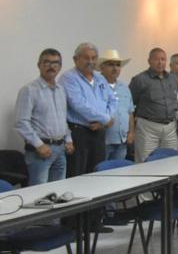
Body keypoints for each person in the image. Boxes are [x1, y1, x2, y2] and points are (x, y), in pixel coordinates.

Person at [15, 48, 74, 185]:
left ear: (60, 66)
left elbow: (63, 119)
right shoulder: (29, 90)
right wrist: (38, 145)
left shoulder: (61, 90)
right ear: (39, 65)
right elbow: (21, 123)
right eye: (46, 62)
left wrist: (68, 139)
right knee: (39, 193)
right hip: (40, 151)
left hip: (61, 149)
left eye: (55, 63)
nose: (51, 66)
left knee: (58, 190)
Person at [60, 42, 116, 177]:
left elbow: (113, 100)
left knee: (98, 174)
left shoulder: (100, 78)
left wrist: (104, 121)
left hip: (99, 132)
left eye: (94, 58)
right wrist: (106, 119)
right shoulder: (68, 78)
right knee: (77, 175)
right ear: (75, 59)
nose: (91, 61)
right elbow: (78, 105)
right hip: (79, 134)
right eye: (86, 58)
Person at [129, 48, 178, 161]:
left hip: (170, 127)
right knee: (145, 162)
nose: (160, 62)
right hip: (148, 128)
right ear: (149, 61)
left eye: (163, 59)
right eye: (156, 59)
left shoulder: (172, 78)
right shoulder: (139, 79)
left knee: (172, 161)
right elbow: (130, 104)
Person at [97, 49, 134, 162]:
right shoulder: (96, 86)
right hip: (103, 141)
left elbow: (130, 112)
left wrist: (131, 132)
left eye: (118, 65)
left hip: (122, 141)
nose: (115, 68)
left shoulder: (124, 87)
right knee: (100, 170)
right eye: (111, 65)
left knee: (119, 170)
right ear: (102, 67)